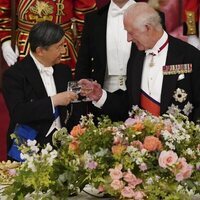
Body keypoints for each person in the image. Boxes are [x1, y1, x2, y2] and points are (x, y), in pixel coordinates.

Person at [80, 2, 200, 123]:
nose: (128, 39)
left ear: (148, 27)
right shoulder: (136, 57)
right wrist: (100, 95)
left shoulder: (189, 56)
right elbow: (129, 104)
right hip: (143, 139)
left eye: (131, 33)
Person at [2, 21, 78, 160]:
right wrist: (54, 101)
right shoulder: (14, 75)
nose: (63, 51)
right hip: (28, 150)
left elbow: (71, 111)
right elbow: (19, 112)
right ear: (40, 51)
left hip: (62, 152)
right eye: (59, 46)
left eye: (63, 44)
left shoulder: (63, 71)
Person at [0, 0, 96, 72]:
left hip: (62, 43)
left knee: (63, 86)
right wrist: (6, 40)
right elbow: (3, 12)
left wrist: (85, 46)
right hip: (25, 44)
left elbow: (86, 13)